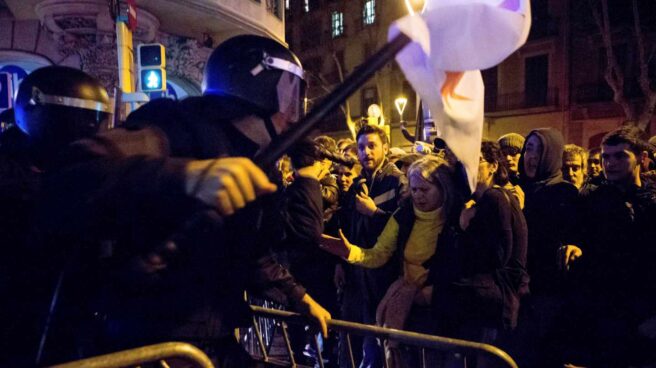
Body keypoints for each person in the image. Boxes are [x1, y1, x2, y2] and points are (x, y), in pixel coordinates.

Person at [20, 36, 330, 366]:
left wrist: (300, 298)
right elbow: (74, 176)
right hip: (147, 343)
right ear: (258, 85)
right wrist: (186, 177)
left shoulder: (258, 160)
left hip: (211, 339)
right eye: (288, 93)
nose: (293, 112)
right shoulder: (174, 129)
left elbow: (251, 251)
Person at [558, 126, 656, 367]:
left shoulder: (653, 201)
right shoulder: (592, 200)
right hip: (604, 316)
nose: (610, 163)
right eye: (606, 157)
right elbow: (580, 238)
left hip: (645, 314)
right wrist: (573, 246)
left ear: (641, 159)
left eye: (620, 156)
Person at [339, 124, 407, 368]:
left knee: (378, 343)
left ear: (385, 148)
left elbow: (403, 226)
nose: (366, 152)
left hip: (383, 274)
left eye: (371, 146)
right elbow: (349, 226)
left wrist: (374, 212)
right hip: (358, 272)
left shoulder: (396, 181)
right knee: (353, 338)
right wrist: (342, 264)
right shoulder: (359, 183)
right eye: (361, 147)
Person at [512, 128, 578, 368]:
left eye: (540, 151)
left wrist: (522, 210)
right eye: (529, 148)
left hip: (546, 296)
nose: (532, 157)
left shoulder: (565, 193)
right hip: (514, 291)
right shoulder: (515, 188)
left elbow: (548, 237)